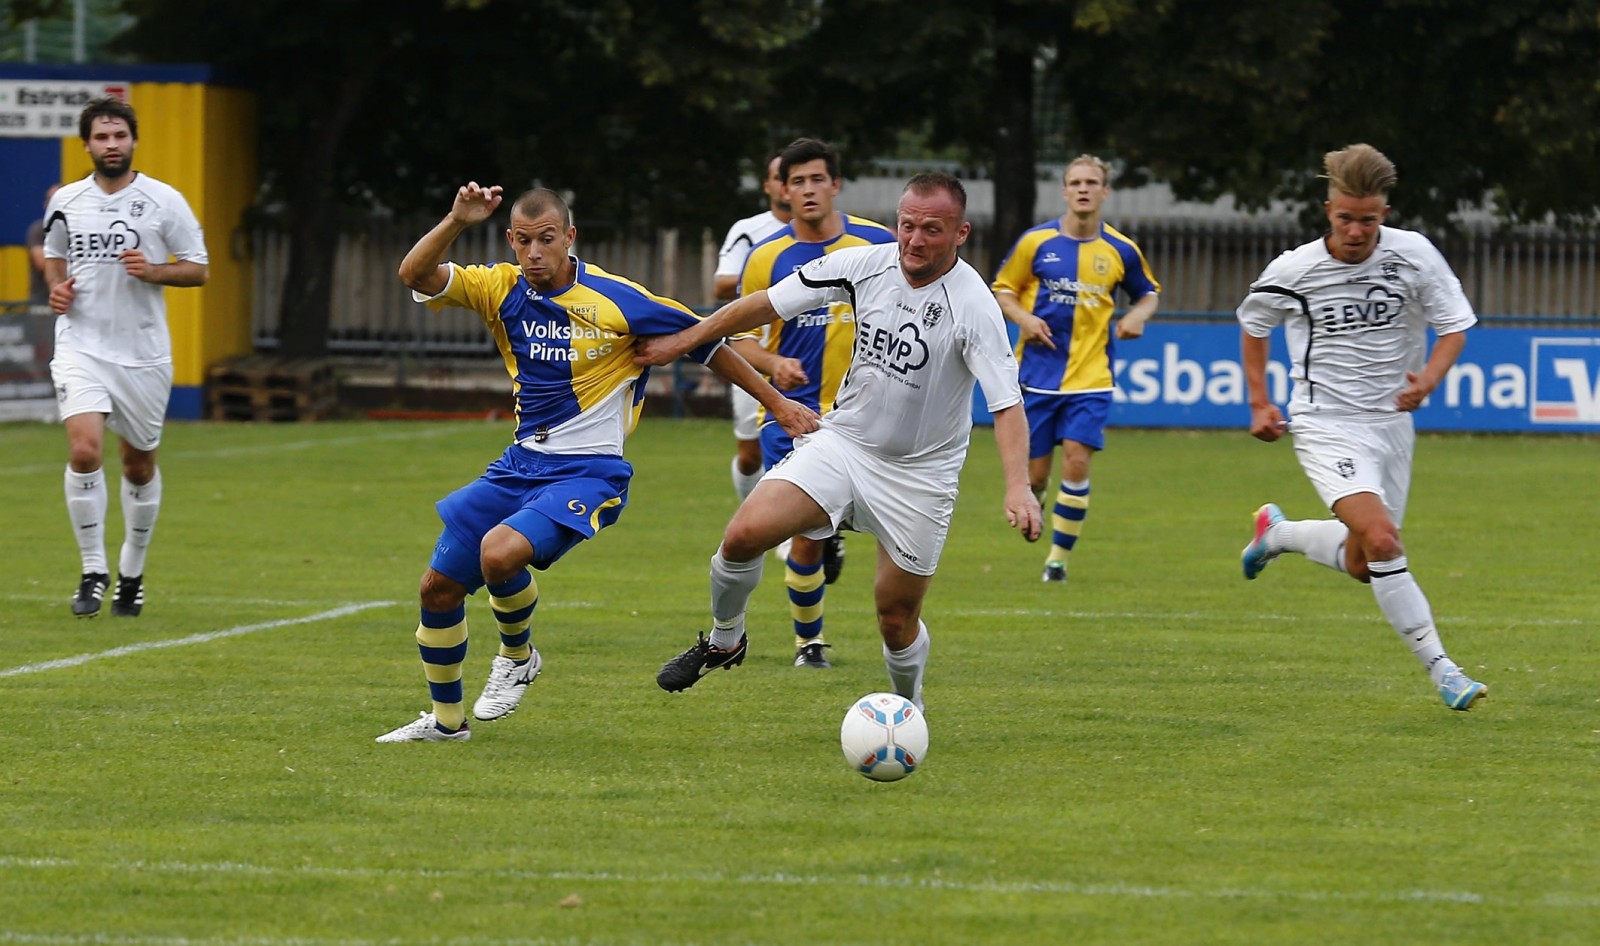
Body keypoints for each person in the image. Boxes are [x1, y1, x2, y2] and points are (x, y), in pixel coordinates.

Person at [379, 182, 817, 743]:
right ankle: (446, 725)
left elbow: (709, 343)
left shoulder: (618, 299)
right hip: (520, 464)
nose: (535, 252)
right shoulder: (498, 287)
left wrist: (778, 404)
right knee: (436, 590)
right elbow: (415, 275)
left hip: (589, 470)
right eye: (524, 242)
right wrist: (457, 220)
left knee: (499, 552)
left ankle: (517, 657)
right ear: (511, 241)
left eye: (547, 240)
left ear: (569, 238)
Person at [637, 171, 1042, 711]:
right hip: (843, 445)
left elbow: (1007, 404)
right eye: (907, 226)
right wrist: (684, 340)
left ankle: (907, 705)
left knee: (895, 619)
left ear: (961, 233)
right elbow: (764, 304)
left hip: (920, 478)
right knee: (742, 536)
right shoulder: (865, 263)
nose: (915, 241)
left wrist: (1018, 487)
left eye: (932, 230)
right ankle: (724, 640)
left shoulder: (974, 306)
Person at [1236, 143, 1487, 711]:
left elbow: (1454, 329)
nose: (1356, 231)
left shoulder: (1415, 256)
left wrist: (1429, 381)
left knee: (1363, 561)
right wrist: (1258, 401)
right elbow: (1254, 325)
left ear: (1384, 214)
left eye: (1368, 220)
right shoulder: (1295, 269)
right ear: (1328, 209)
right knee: (1382, 539)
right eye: (1346, 218)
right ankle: (1444, 671)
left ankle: (1278, 534)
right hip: (1326, 423)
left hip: (1392, 426)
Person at [728, 136, 895, 668]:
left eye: (816, 179)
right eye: (796, 181)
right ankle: (809, 643)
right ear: (783, 189)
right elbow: (739, 339)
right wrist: (773, 364)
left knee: (893, 536)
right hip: (794, 416)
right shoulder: (767, 257)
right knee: (804, 537)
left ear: (835, 184)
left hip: (868, 418)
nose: (807, 190)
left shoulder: (878, 245)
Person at [41, 97, 209, 619]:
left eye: (119, 136)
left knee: (138, 465)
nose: (110, 145)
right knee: (86, 450)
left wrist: (155, 270)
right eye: (101, 137)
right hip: (81, 345)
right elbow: (54, 255)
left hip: (142, 355)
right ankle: (93, 569)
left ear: (133, 141)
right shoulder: (66, 199)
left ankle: (131, 575)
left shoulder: (164, 201)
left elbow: (198, 269)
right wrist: (55, 289)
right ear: (86, 143)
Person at [991, 154, 1160, 585]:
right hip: (1037, 378)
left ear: (1105, 192)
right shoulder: (1035, 243)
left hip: (1092, 377)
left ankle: (1057, 562)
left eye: (1092, 182)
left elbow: (1147, 293)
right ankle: (1037, 502)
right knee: (1037, 475)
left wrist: (1137, 316)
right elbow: (1003, 291)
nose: (1083, 189)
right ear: (1065, 191)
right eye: (1075, 182)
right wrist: (1025, 319)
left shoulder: (1121, 249)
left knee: (1077, 462)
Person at [713, 150, 792, 506]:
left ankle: (796, 535)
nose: (790, 186)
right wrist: (786, 280)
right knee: (750, 455)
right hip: (755, 352)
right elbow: (721, 285)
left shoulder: (831, 232)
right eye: (782, 178)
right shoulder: (750, 231)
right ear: (768, 185)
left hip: (811, 354)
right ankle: (752, 514)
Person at [27, 184, 62, 308]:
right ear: (45, 204)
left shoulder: (79, 229)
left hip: (73, 299)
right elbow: (42, 262)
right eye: (52, 201)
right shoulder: (38, 230)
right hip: (43, 301)